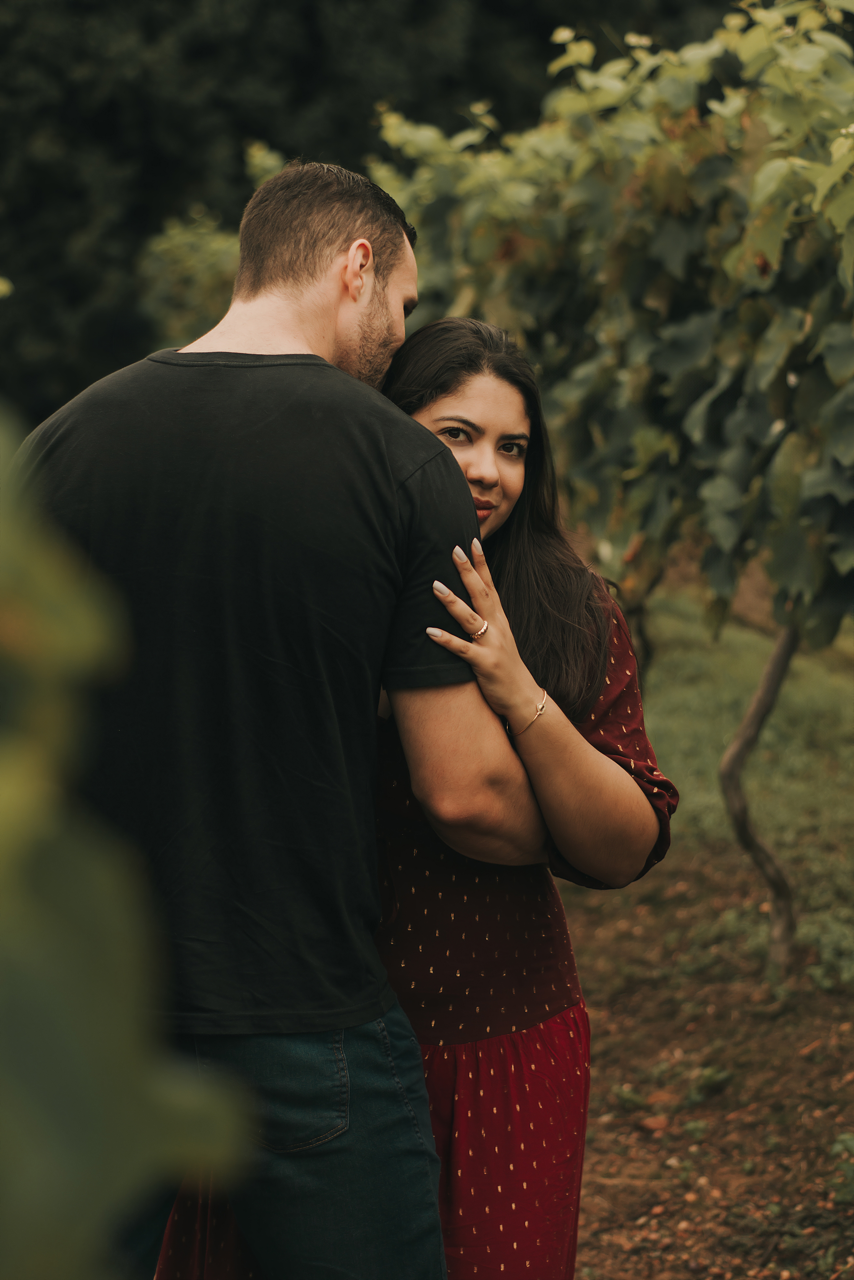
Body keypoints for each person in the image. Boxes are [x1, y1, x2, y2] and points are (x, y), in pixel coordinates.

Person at [12, 168, 551, 1280]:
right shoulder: (403, 466)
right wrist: (590, 827)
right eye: (402, 300)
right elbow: (458, 787)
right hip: (305, 1002)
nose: (400, 334)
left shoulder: (61, 447)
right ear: (355, 266)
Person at [154, 320, 678, 1280]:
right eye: (455, 437)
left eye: (511, 446)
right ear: (386, 440)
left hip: (501, 1037)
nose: (487, 472)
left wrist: (519, 692)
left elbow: (625, 844)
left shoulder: (571, 606)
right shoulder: (313, 585)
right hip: (311, 1038)